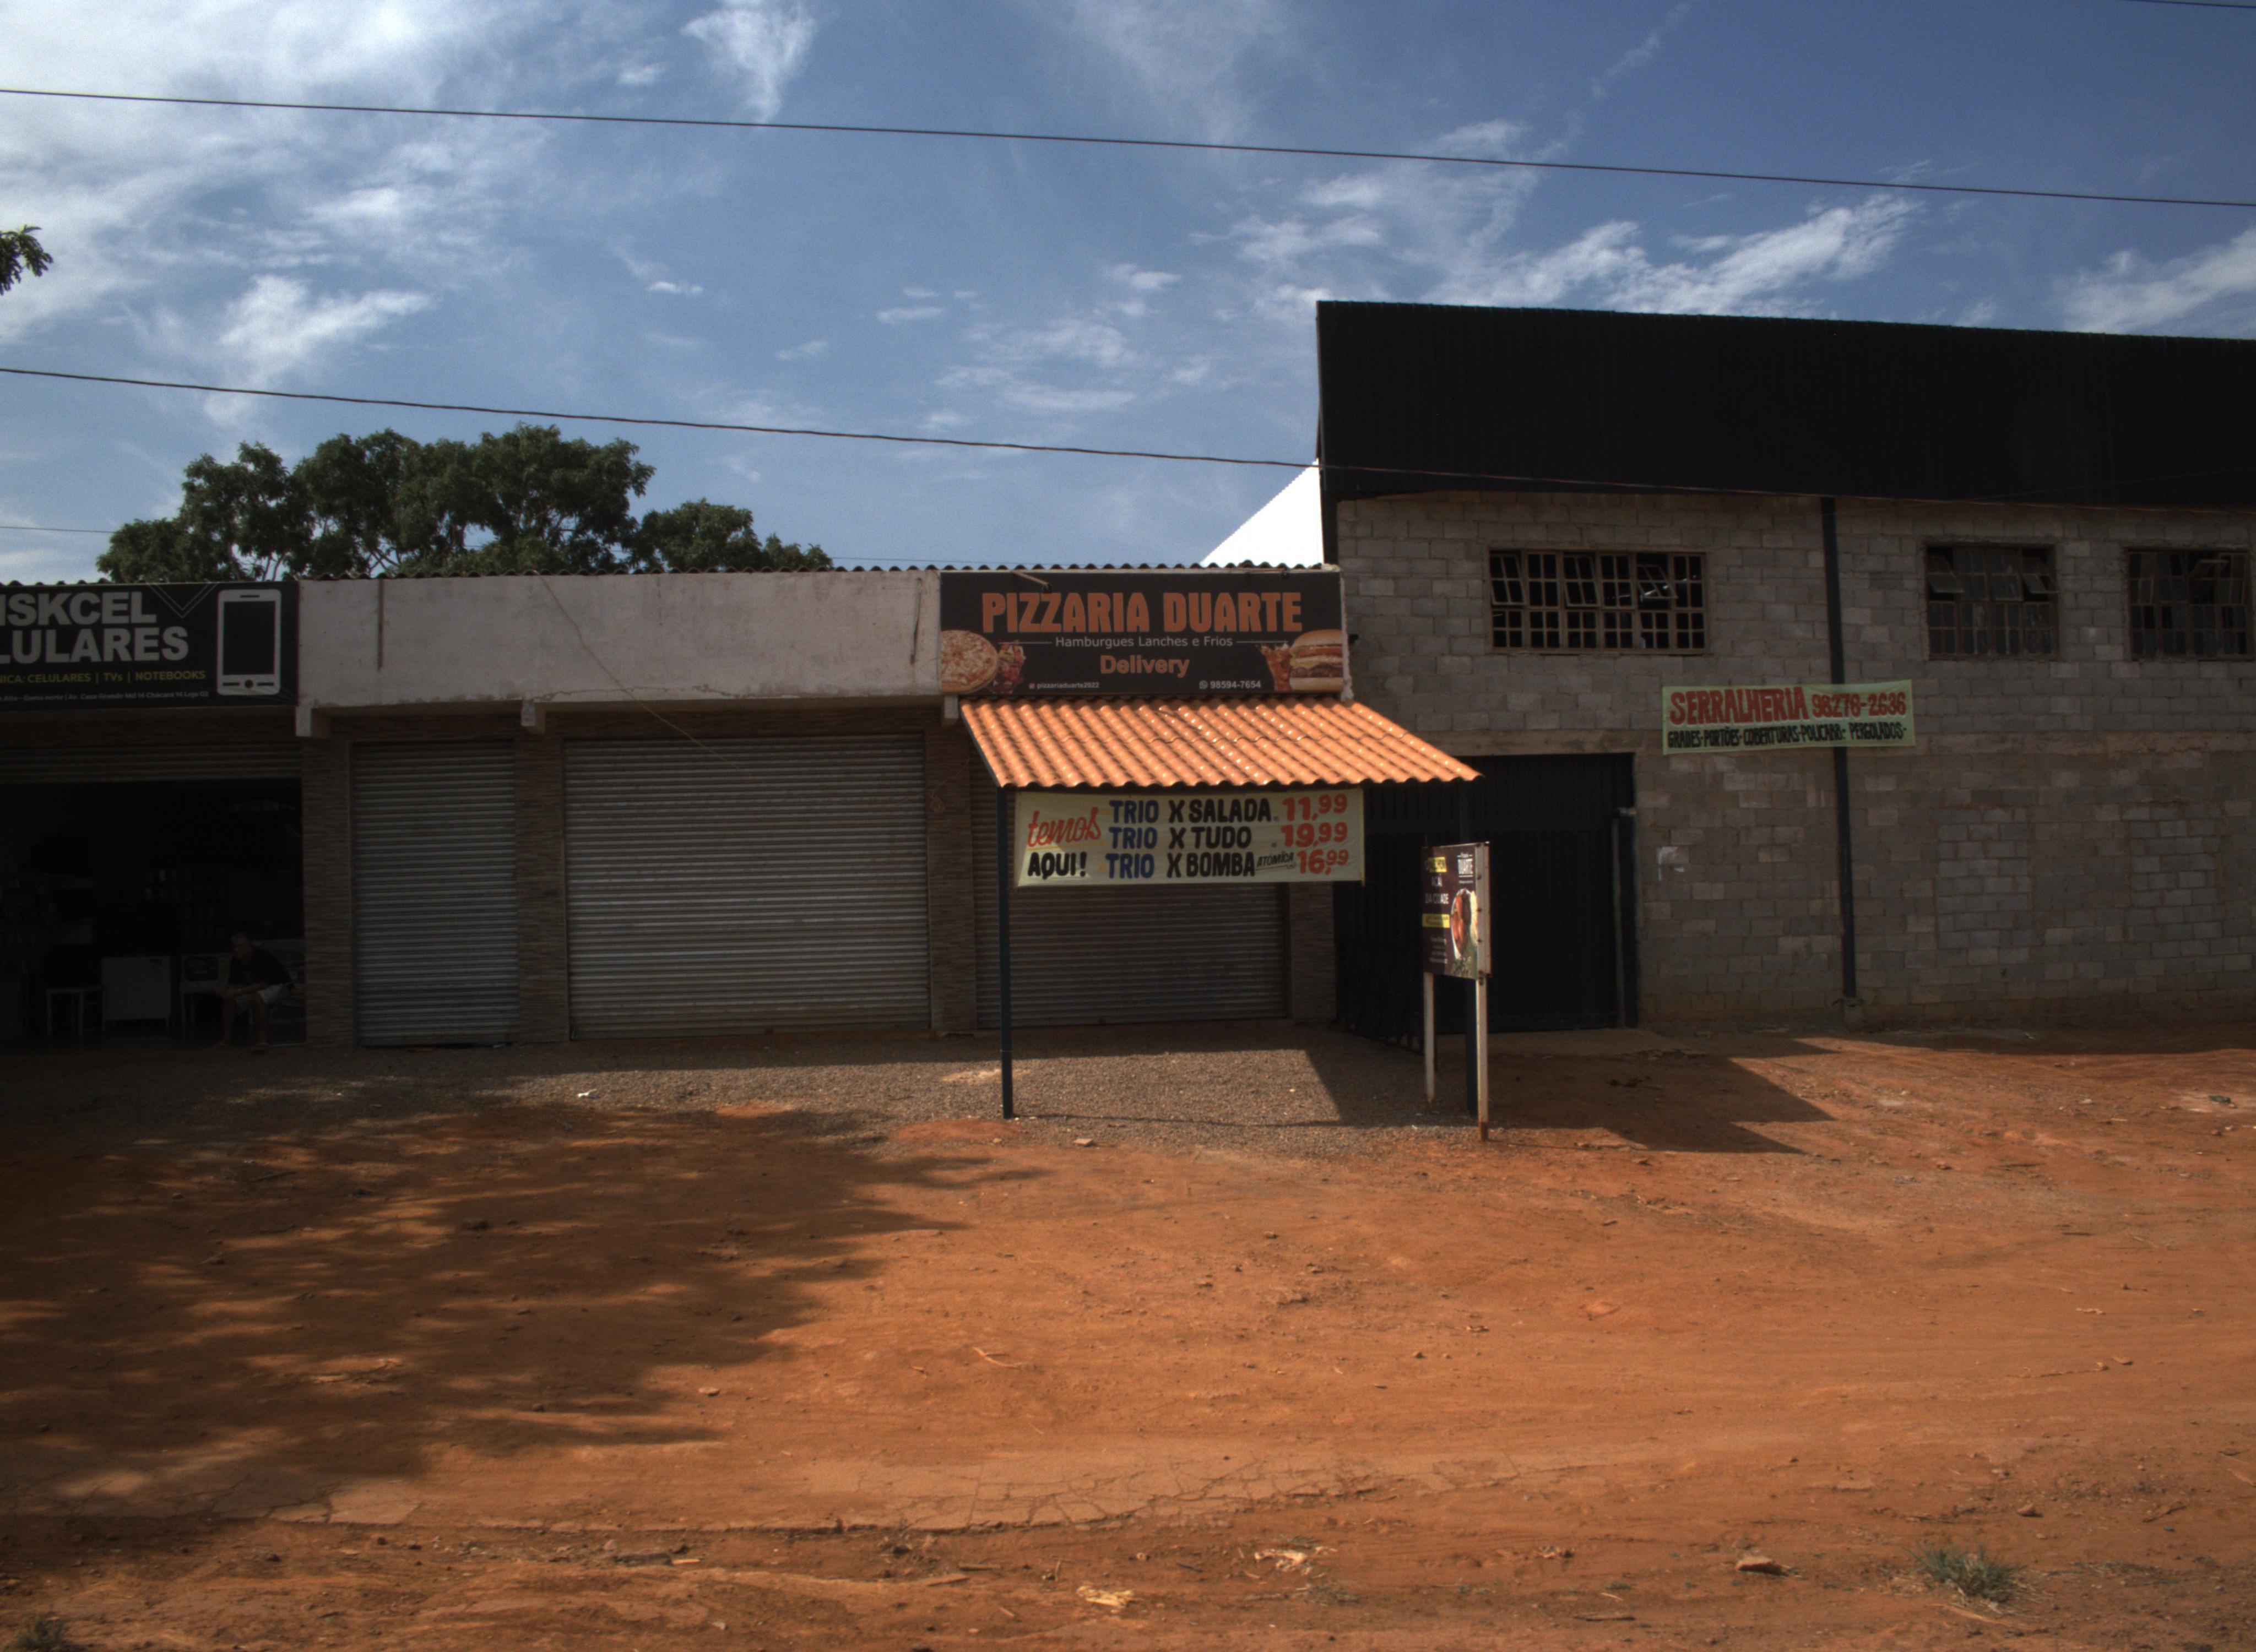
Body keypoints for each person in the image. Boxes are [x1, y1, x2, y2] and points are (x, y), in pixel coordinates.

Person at [215, 933, 290, 1052]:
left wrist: (238, 991)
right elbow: (234, 983)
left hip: (276, 987)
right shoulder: (236, 960)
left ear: (249, 946)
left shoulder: (261, 957)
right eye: (234, 947)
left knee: (259, 997)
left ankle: (263, 1040)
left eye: (239, 946)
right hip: (253, 989)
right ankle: (226, 1040)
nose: (236, 950)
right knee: (229, 999)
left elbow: (262, 985)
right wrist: (225, 989)